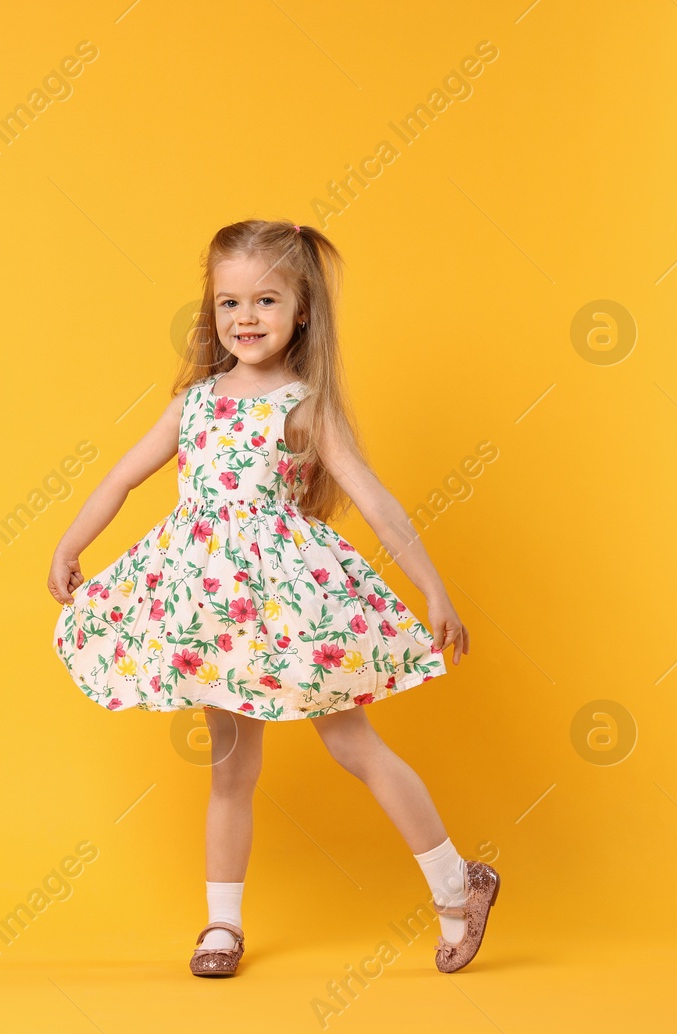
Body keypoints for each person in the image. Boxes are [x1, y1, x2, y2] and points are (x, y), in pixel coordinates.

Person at [47, 219, 498, 977]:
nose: (245, 318)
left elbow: (378, 501)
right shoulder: (192, 402)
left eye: (265, 299)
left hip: (292, 610)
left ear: (301, 312)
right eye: (229, 302)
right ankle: (222, 926)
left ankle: (459, 883)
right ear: (211, 310)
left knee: (353, 743)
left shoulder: (302, 403)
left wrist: (433, 587)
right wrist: (69, 542)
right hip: (214, 610)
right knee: (230, 767)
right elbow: (122, 476)